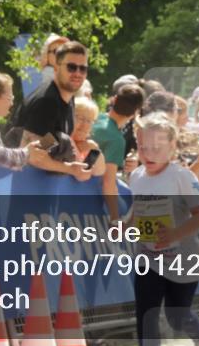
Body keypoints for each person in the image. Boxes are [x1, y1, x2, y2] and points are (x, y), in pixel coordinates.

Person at [126, 111, 199, 346]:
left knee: (177, 317)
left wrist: (175, 233)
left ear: (172, 146)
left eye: (157, 147)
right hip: (148, 257)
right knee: (147, 315)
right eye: (143, 147)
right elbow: (137, 210)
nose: (149, 154)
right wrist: (123, 223)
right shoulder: (136, 176)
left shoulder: (182, 177)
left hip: (182, 258)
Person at [8, 41, 88, 146]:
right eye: (71, 67)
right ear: (56, 67)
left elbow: (48, 144)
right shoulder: (47, 103)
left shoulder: (68, 98)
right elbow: (32, 155)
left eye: (83, 68)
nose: (78, 73)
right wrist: (69, 163)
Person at [92, 83, 145, 221]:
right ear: (135, 113)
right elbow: (108, 182)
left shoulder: (94, 117)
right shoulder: (116, 139)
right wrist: (115, 218)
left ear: (114, 100)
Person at [70, 97, 106, 177]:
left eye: (89, 121)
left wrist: (94, 149)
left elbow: (98, 171)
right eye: (80, 118)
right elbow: (37, 151)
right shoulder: (56, 134)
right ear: (68, 117)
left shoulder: (87, 146)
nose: (85, 125)